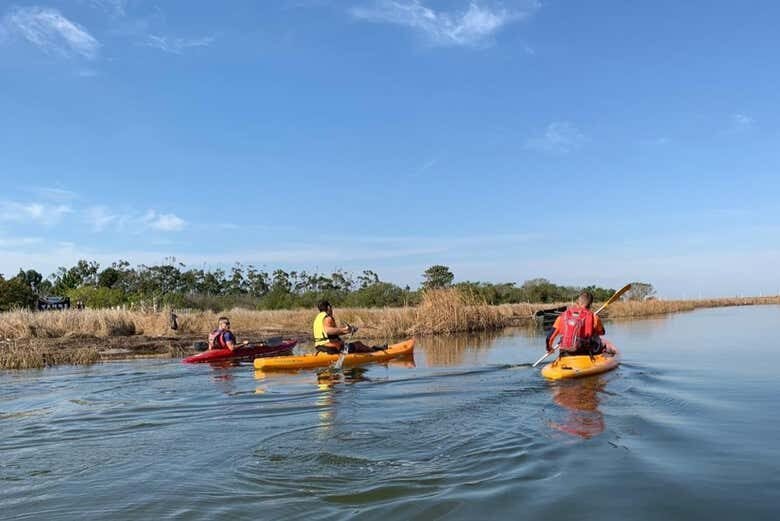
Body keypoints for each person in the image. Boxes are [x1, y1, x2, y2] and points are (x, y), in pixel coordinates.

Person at [546, 291, 609, 356]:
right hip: (585, 352)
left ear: (578, 302)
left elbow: (549, 338)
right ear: (590, 305)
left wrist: (549, 348)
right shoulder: (594, 317)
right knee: (599, 340)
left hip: (565, 352)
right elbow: (602, 332)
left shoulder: (562, 316)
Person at [312, 300, 383, 354]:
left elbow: (332, 333)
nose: (332, 309)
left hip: (319, 347)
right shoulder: (328, 318)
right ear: (328, 307)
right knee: (359, 344)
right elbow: (328, 331)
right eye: (331, 306)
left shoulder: (318, 318)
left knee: (353, 345)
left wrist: (348, 331)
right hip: (330, 347)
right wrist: (345, 329)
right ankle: (376, 353)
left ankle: (372, 349)